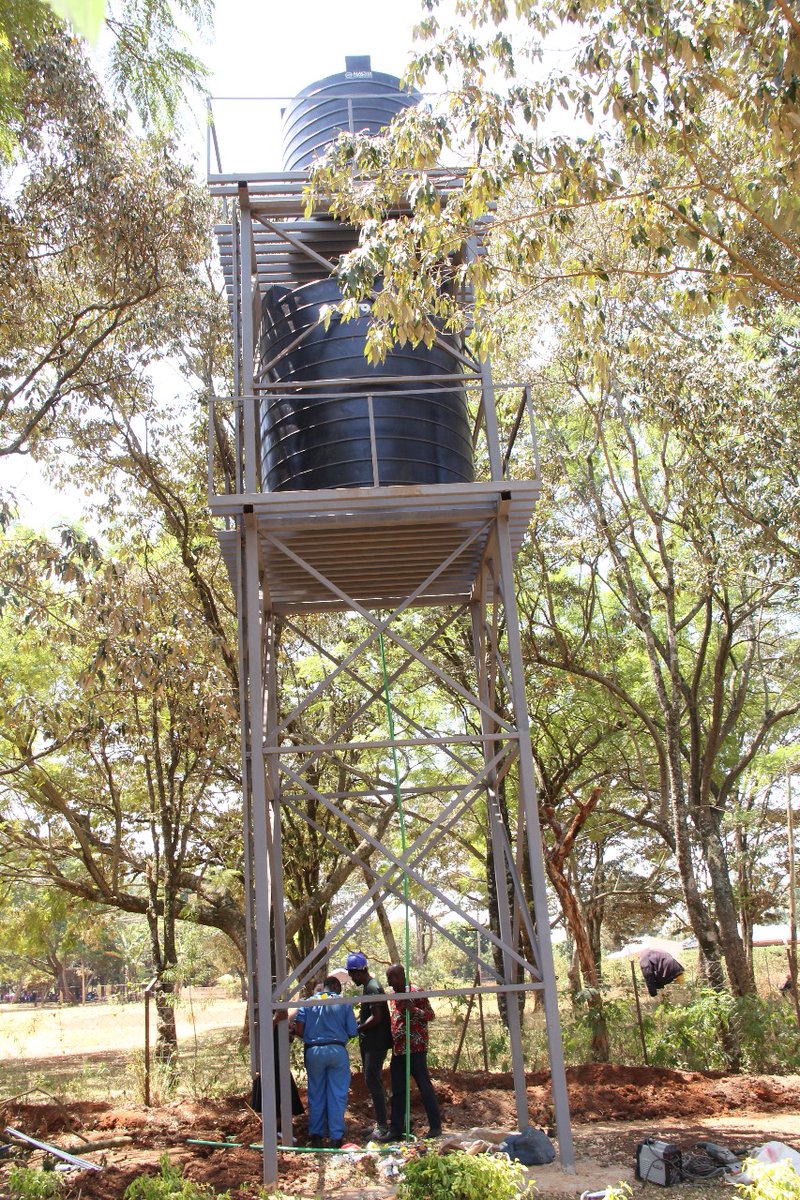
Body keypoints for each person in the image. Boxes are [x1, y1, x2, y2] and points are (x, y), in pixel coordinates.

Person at [292, 975, 359, 1148]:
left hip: (314, 1051)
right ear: (336, 986)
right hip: (337, 1050)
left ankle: (316, 1136)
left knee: (316, 1093)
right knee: (337, 1094)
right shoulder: (343, 1002)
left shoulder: (307, 1003)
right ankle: (336, 1137)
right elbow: (352, 1031)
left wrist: (312, 1036)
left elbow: (299, 1029)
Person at [382, 963, 442, 1141]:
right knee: (398, 1089)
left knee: (424, 1085)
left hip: (415, 1047)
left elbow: (430, 1015)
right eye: (388, 979)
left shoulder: (416, 992)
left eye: (392, 978)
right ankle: (396, 1129)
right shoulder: (393, 996)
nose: (390, 982)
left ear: (401, 976)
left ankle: (435, 1126)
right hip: (399, 1049)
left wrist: (413, 1010)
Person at [346, 951, 393, 1138]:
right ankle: (380, 1123)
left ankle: (383, 1126)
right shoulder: (369, 987)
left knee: (373, 1081)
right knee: (372, 1081)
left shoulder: (372, 988)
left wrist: (359, 1029)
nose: (350, 977)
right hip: (372, 1042)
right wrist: (359, 1022)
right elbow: (370, 1015)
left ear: (358, 972)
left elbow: (377, 1017)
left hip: (375, 1043)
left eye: (351, 974)